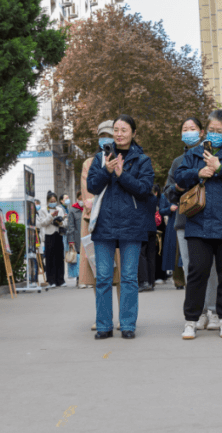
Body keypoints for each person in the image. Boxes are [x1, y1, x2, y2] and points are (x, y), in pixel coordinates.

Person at [174, 109, 222, 340]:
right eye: (212, 130)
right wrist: (198, 172)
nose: (215, 135)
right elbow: (179, 178)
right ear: (206, 131)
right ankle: (191, 320)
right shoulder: (194, 154)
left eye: (221, 131)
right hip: (199, 221)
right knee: (197, 272)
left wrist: (220, 167)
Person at [87, 115, 155, 339]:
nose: (119, 134)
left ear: (133, 133)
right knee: (104, 278)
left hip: (132, 225)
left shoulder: (142, 160)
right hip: (104, 225)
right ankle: (104, 325)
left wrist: (121, 175)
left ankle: (127, 325)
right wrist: (106, 170)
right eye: (116, 129)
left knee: (128, 277)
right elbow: (92, 186)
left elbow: (144, 189)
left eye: (124, 130)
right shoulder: (101, 157)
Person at [165, 117, 220, 323]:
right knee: (191, 268)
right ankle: (199, 312)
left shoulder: (212, 156)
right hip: (185, 220)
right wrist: (177, 188)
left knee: (211, 267)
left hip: (211, 219)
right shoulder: (178, 161)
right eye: (185, 129)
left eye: (192, 128)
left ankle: (213, 310)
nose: (188, 132)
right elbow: (168, 191)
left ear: (202, 131)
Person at [80, 120, 116, 290]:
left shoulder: (122, 160)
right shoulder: (88, 163)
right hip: (93, 221)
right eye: (102, 136)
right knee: (97, 272)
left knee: (121, 273)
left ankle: (123, 315)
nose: (106, 140)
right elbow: (88, 198)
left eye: (109, 136)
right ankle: (102, 313)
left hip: (118, 220)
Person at [38, 192, 66, 287]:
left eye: (54, 201)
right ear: (47, 201)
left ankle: (60, 280)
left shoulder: (60, 209)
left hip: (58, 234)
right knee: (50, 258)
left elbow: (65, 222)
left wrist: (60, 222)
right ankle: (51, 280)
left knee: (59, 258)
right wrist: (51, 216)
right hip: (48, 235)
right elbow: (42, 223)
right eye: (51, 201)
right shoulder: (43, 210)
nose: (53, 202)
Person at [138, 185, 160, 291]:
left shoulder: (141, 197)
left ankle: (144, 281)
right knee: (151, 256)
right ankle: (151, 282)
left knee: (141, 254)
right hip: (152, 228)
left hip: (142, 228)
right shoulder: (154, 198)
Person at [65, 194, 82, 282]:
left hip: (89, 238)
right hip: (77, 238)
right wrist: (71, 240)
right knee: (79, 258)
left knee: (89, 257)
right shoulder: (72, 210)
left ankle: (88, 278)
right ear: (77, 199)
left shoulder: (89, 209)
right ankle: (79, 279)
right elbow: (70, 226)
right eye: (80, 198)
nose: (82, 200)